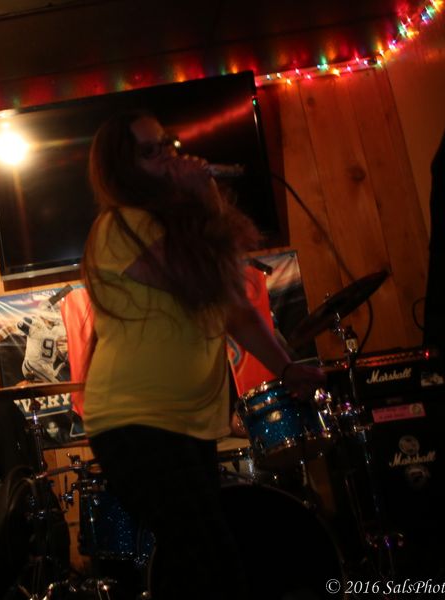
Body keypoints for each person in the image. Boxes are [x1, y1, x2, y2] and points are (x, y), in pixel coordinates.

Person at [81, 110, 325, 599]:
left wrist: (286, 367)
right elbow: (200, 280)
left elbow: (236, 309)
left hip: (187, 423)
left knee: (198, 568)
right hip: (137, 422)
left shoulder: (178, 228)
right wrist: (203, 197)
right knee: (214, 565)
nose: (169, 156)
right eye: (151, 151)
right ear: (123, 167)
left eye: (167, 143)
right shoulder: (119, 227)